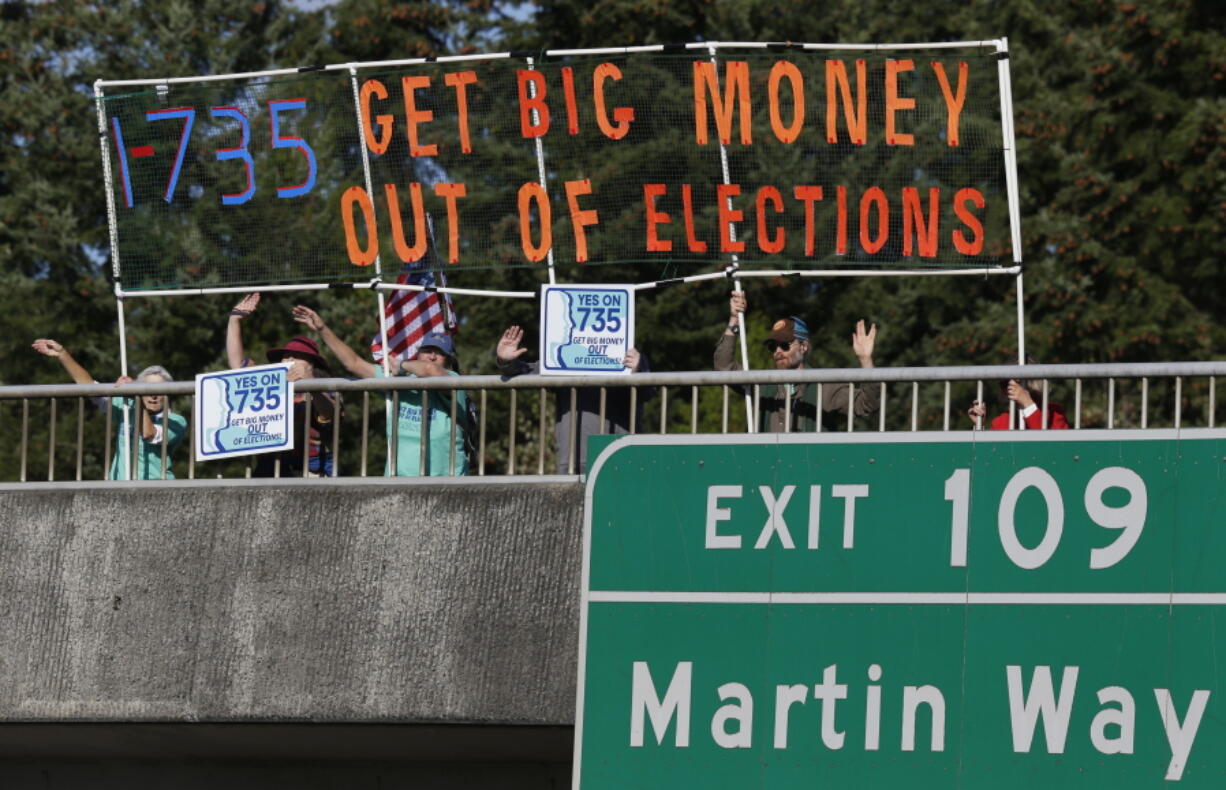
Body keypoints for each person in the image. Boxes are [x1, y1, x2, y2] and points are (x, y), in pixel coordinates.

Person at [292, 305, 469, 476]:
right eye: (427, 350)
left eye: (440, 353)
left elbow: (431, 371)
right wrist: (322, 329)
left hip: (446, 481)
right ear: (418, 353)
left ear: (448, 360)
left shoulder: (453, 381)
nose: (432, 356)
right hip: (399, 481)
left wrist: (401, 365)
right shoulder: (399, 381)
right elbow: (353, 363)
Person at [715, 291, 881, 432]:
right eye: (773, 346)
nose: (778, 351)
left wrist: (866, 360)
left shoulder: (825, 386)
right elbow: (724, 368)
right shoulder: (761, 384)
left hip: (811, 467)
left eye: (785, 345)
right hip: (770, 467)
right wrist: (734, 320)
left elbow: (866, 405)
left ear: (804, 347)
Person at [495, 325, 650, 474]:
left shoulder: (630, 360)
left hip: (620, 461)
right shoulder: (564, 360)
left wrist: (638, 370)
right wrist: (507, 362)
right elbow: (527, 373)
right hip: (572, 465)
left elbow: (648, 393)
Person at [31, 338, 186, 480]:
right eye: (148, 390)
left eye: (160, 391)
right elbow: (90, 387)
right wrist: (62, 354)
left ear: (168, 395)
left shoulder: (176, 422)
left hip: (156, 492)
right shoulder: (126, 408)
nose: (154, 396)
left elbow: (148, 434)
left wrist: (136, 395)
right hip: (120, 487)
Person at [228, 293, 339, 477]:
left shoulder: (325, 388)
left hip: (309, 472)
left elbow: (330, 413)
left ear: (312, 365)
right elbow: (238, 367)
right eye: (285, 356)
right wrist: (234, 321)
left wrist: (310, 384)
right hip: (270, 470)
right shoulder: (268, 386)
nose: (288, 359)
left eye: (297, 356)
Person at [967, 378, 1070, 430]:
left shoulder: (1054, 412)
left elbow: (1052, 448)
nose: (1010, 388)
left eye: (1017, 382)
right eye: (1004, 384)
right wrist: (979, 424)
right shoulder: (1000, 422)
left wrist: (1027, 403)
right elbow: (989, 455)